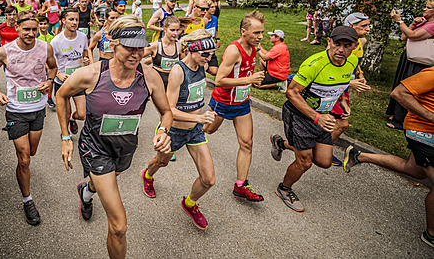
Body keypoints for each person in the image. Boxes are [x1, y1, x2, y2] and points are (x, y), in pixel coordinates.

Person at [55, 15, 172, 259]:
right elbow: (61, 95)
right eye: (129, 48)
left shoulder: (149, 78)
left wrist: (163, 130)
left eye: (140, 48)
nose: (136, 55)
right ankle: (91, 187)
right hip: (94, 147)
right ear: (113, 43)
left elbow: (166, 112)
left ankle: (86, 190)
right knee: (119, 226)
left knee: (102, 182)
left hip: (125, 149)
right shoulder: (90, 75)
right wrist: (66, 136)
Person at [342, 66, 434, 248]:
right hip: (423, 130)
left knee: (414, 170)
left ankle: (358, 155)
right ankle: (431, 234)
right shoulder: (431, 74)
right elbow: (399, 93)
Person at [270, 26, 359, 212]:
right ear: (329, 42)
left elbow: (340, 84)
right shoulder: (315, 63)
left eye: (347, 45)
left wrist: (343, 102)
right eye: (337, 44)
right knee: (305, 161)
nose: (341, 50)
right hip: (301, 115)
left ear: (355, 46)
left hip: (324, 116)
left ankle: (281, 144)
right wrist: (316, 117)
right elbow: (291, 92)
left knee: (324, 161)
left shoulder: (352, 61)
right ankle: (284, 189)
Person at [0, 10, 58, 226]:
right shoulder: (4, 51)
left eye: (35, 29)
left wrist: (50, 81)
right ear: (16, 28)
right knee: (24, 158)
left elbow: (53, 67)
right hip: (16, 110)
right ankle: (28, 200)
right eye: (26, 29)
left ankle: (22, 170)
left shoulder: (45, 47)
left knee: (32, 153)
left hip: (37, 108)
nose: (31, 33)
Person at [141, 30, 216, 229]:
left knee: (208, 179)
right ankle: (147, 176)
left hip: (194, 131)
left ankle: (189, 203)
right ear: (192, 50)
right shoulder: (178, 71)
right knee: (161, 163)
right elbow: (170, 109)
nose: (209, 58)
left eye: (211, 54)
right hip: (173, 131)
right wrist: (199, 117)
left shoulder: (203, 64)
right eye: (205, 54)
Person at [204, 11, 266, 202]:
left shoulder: (254, 47)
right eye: (256, 33)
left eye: (262, 32)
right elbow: (220, 80)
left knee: (247, 143)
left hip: (241, 103)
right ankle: (185, 129)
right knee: (207, 130)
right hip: (222, 101)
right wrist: (249, 78)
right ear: (243, 32)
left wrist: (252, 82)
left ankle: (240, 185)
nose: (261, 37)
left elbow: (244, 71)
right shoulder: (233, 50)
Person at [328, 13, 372, 165]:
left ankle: (320, 148)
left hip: (344, 84)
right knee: (342, 123)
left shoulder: (362, 41)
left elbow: (355, 61)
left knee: (335, 122)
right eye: (364, 26)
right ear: (352, 26)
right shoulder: (340, 44)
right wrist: (350, 83)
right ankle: (323, 150)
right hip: (334, 85)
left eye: (368, 25)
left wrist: (359, 73)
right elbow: (330, 69)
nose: (368, 29)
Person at [386, 0, 434, 129]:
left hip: (421, 62)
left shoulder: (433, 25)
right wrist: (412, 23)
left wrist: (399, 21)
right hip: (410, 58)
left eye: (428, 8)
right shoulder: (424, 22)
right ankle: (397, 115)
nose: (424, 9)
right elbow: (404, 37)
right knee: (401, 85)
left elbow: (413, 35)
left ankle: (403, 120)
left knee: (410, 91)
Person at [51, 8, 90, 135]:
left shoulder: (83, 37)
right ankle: (65, 135)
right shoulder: (56, 41)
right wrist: (58, 74)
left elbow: (85, 52)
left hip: (78, 81)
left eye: (77, 20)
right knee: (65, 114)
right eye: (71, 19)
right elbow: (48, 63)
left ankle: (73, 119)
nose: (74, 22)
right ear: (63, 21)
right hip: (62, 82)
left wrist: (86, 60)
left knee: (82, 114)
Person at [143, 16, 182, 90]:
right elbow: (136, 58)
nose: (175, 33)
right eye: (172, 30)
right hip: (157, 84)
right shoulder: (155, 46)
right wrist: (145, 72)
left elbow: (184, 64)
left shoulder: (180, 46)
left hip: (174, 83)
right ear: (165, 29)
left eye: (177, 30)